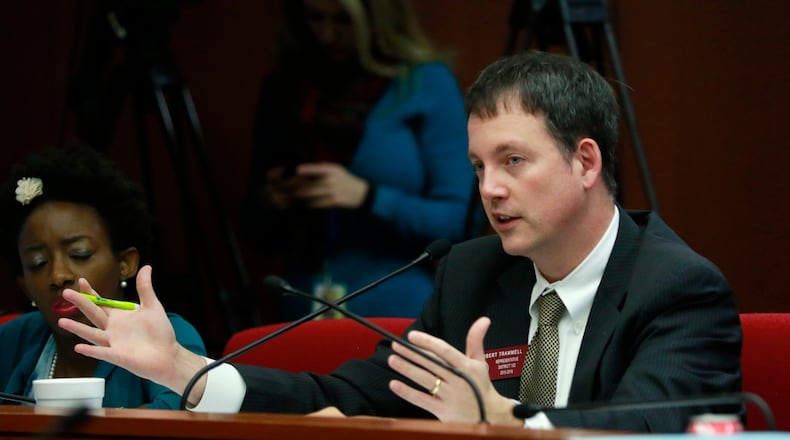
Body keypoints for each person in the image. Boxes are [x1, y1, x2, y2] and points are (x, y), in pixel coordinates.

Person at [57, 51, 741, 432]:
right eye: (478, 168)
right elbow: (350, 395)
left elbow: (649, 432)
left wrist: (509, 422)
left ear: (585, 162)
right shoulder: (473, 273)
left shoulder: (677, 289)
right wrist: (184, 369)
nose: (489, 190)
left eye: (513, 161)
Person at [241, 0, 479, 320]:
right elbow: (254, 232)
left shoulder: (423, 83)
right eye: (316, 17)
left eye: (343, 21)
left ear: (377, 19)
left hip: (397, 306)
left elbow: (462, 224)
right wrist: (272, 202)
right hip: (299, 301)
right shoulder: (287, 87)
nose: (327, 35)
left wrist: (368, 197)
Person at [0, 145, 207, 409]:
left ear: (125, 264)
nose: (58, 275)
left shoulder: (166, 335)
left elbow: (178, 424)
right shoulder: (12, 340)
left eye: (80, 254)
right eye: (37, 263)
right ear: (24, 286)